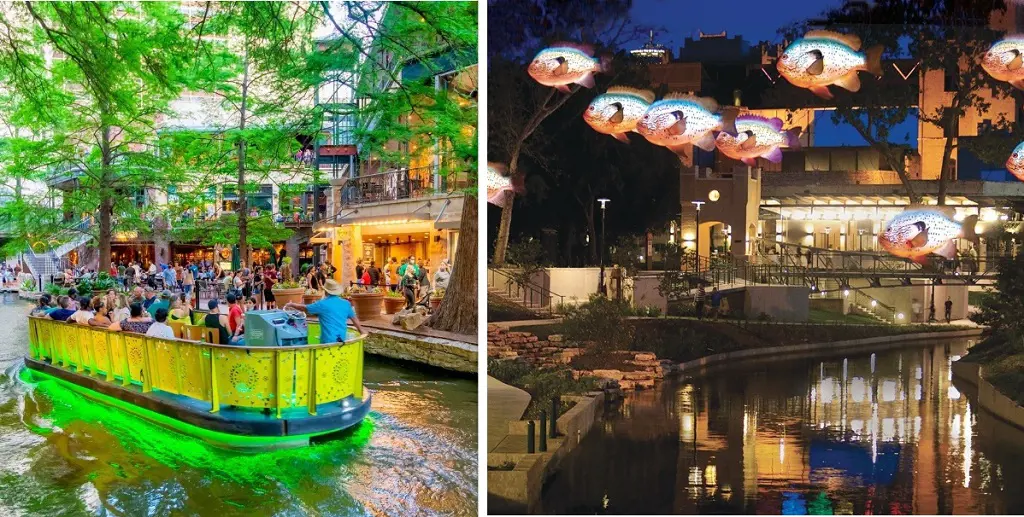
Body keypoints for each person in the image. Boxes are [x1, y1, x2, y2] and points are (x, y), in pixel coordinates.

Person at [283, 279, 364, 343]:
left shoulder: (322, 304)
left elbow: (304, 308)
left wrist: (291, 305)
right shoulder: (346, 303)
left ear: (325, 291)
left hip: (328, 341)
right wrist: (362, 331)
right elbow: (355, 320)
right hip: (342, 339)